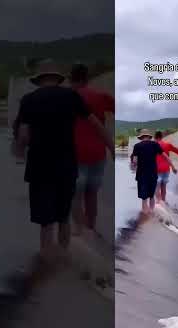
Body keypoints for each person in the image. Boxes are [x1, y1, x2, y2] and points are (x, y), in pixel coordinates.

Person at [15, 59, 114, 262]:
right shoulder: (71, 96)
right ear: (58, 79)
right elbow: (95, 124)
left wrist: (18, 149)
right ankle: (64, 259)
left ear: (39, 79)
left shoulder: (28, 100)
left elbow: (24, 135)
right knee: (63, 217)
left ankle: (47, 260)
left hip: (39, 167)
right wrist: (112, 147)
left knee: (45, 221)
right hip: (67, 165)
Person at [70, 63, 115, 237]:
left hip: (76, 153)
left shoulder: (69, 97)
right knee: (91, 193)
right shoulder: (100, 96)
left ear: (72, 79)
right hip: (98, 153)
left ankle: (81, 234)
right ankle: (91, 227)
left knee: (75, 195)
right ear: (87, 79)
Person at [130, 129, 176, 214]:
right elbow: (165, 156)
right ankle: (151, 212)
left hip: (142, 175)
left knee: (144, 198)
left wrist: (133, 165)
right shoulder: (155, 145)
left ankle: (145, 214)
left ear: (141, 137)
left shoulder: (137, 146)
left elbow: (135, 161)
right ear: (149, 136)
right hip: (153, 174)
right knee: (151, 196)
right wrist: (173, 167)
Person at [154, 130, 178, 203]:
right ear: (162, 137)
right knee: (163, 186)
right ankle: (163, 201)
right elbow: (176, 150)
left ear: (155, 137)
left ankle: (159, 202)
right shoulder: (167, 145)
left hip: (156, 169)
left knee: (157, 186)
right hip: (166, 169)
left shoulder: (153, 145)